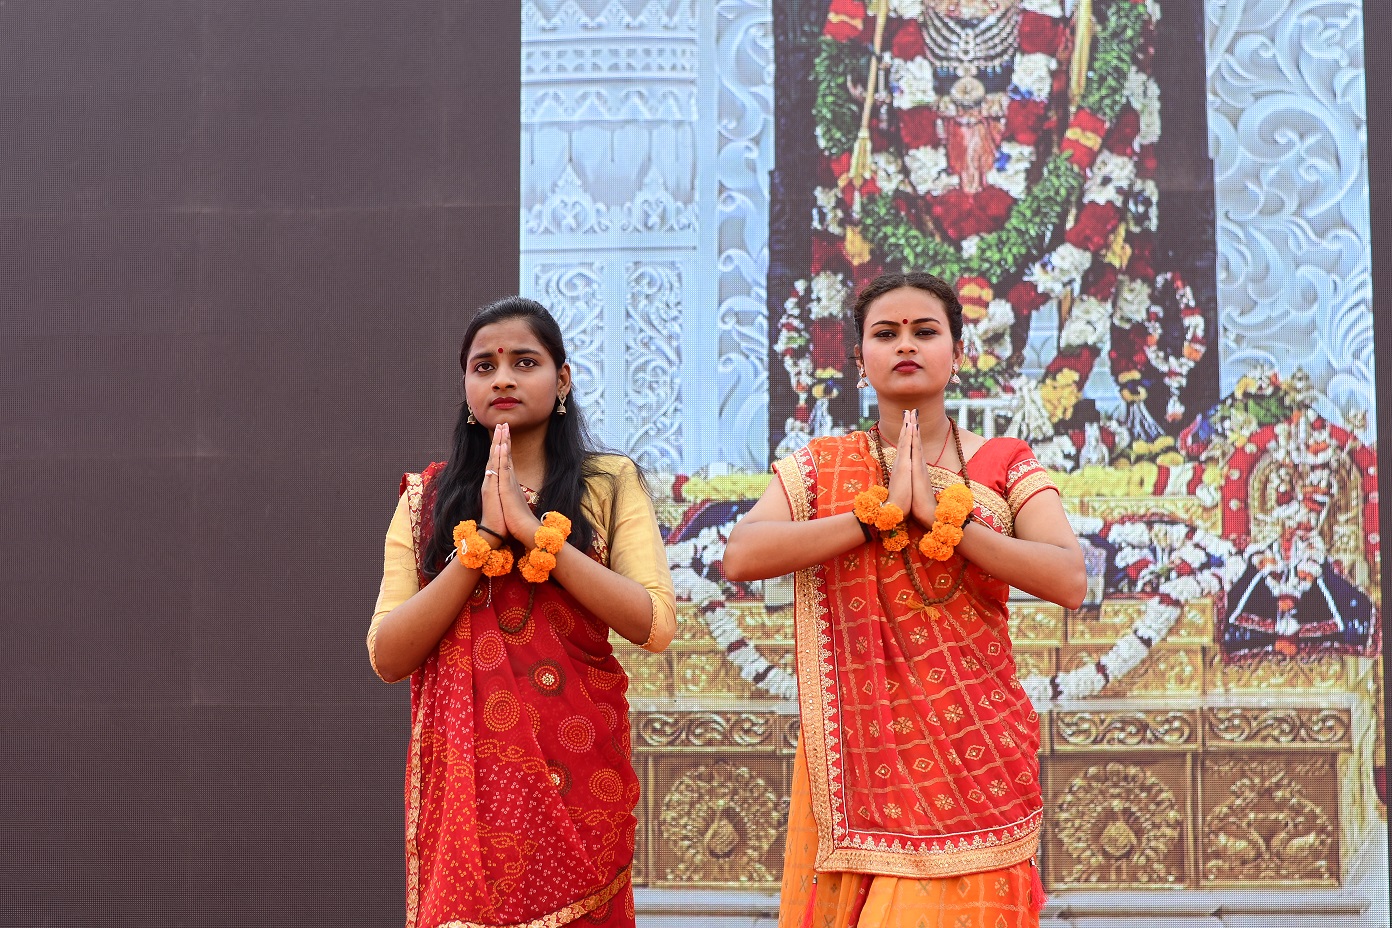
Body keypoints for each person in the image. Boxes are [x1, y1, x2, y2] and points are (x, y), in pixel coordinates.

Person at [725, 272, 1086, 927]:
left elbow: (1068, 578)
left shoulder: (1004, 461)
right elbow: (743, 554)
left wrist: (949, 521)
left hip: (977, 756)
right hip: (859, 767)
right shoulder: (822, 464)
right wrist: (874, 517)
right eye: (885, 334)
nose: (906, 345)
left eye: (926, 331)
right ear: (860, 361)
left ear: (959, 350)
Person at [367, 297, 676, 928]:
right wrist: (478, 544)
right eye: (484, 366)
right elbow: (387, 654)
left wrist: (536, 536)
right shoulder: (425, 499)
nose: (502, 378)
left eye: (524, 362)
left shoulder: (609, 483)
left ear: (562, 379)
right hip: (467, 798)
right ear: (466, 386)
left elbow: (654, 623)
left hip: (579, 776)